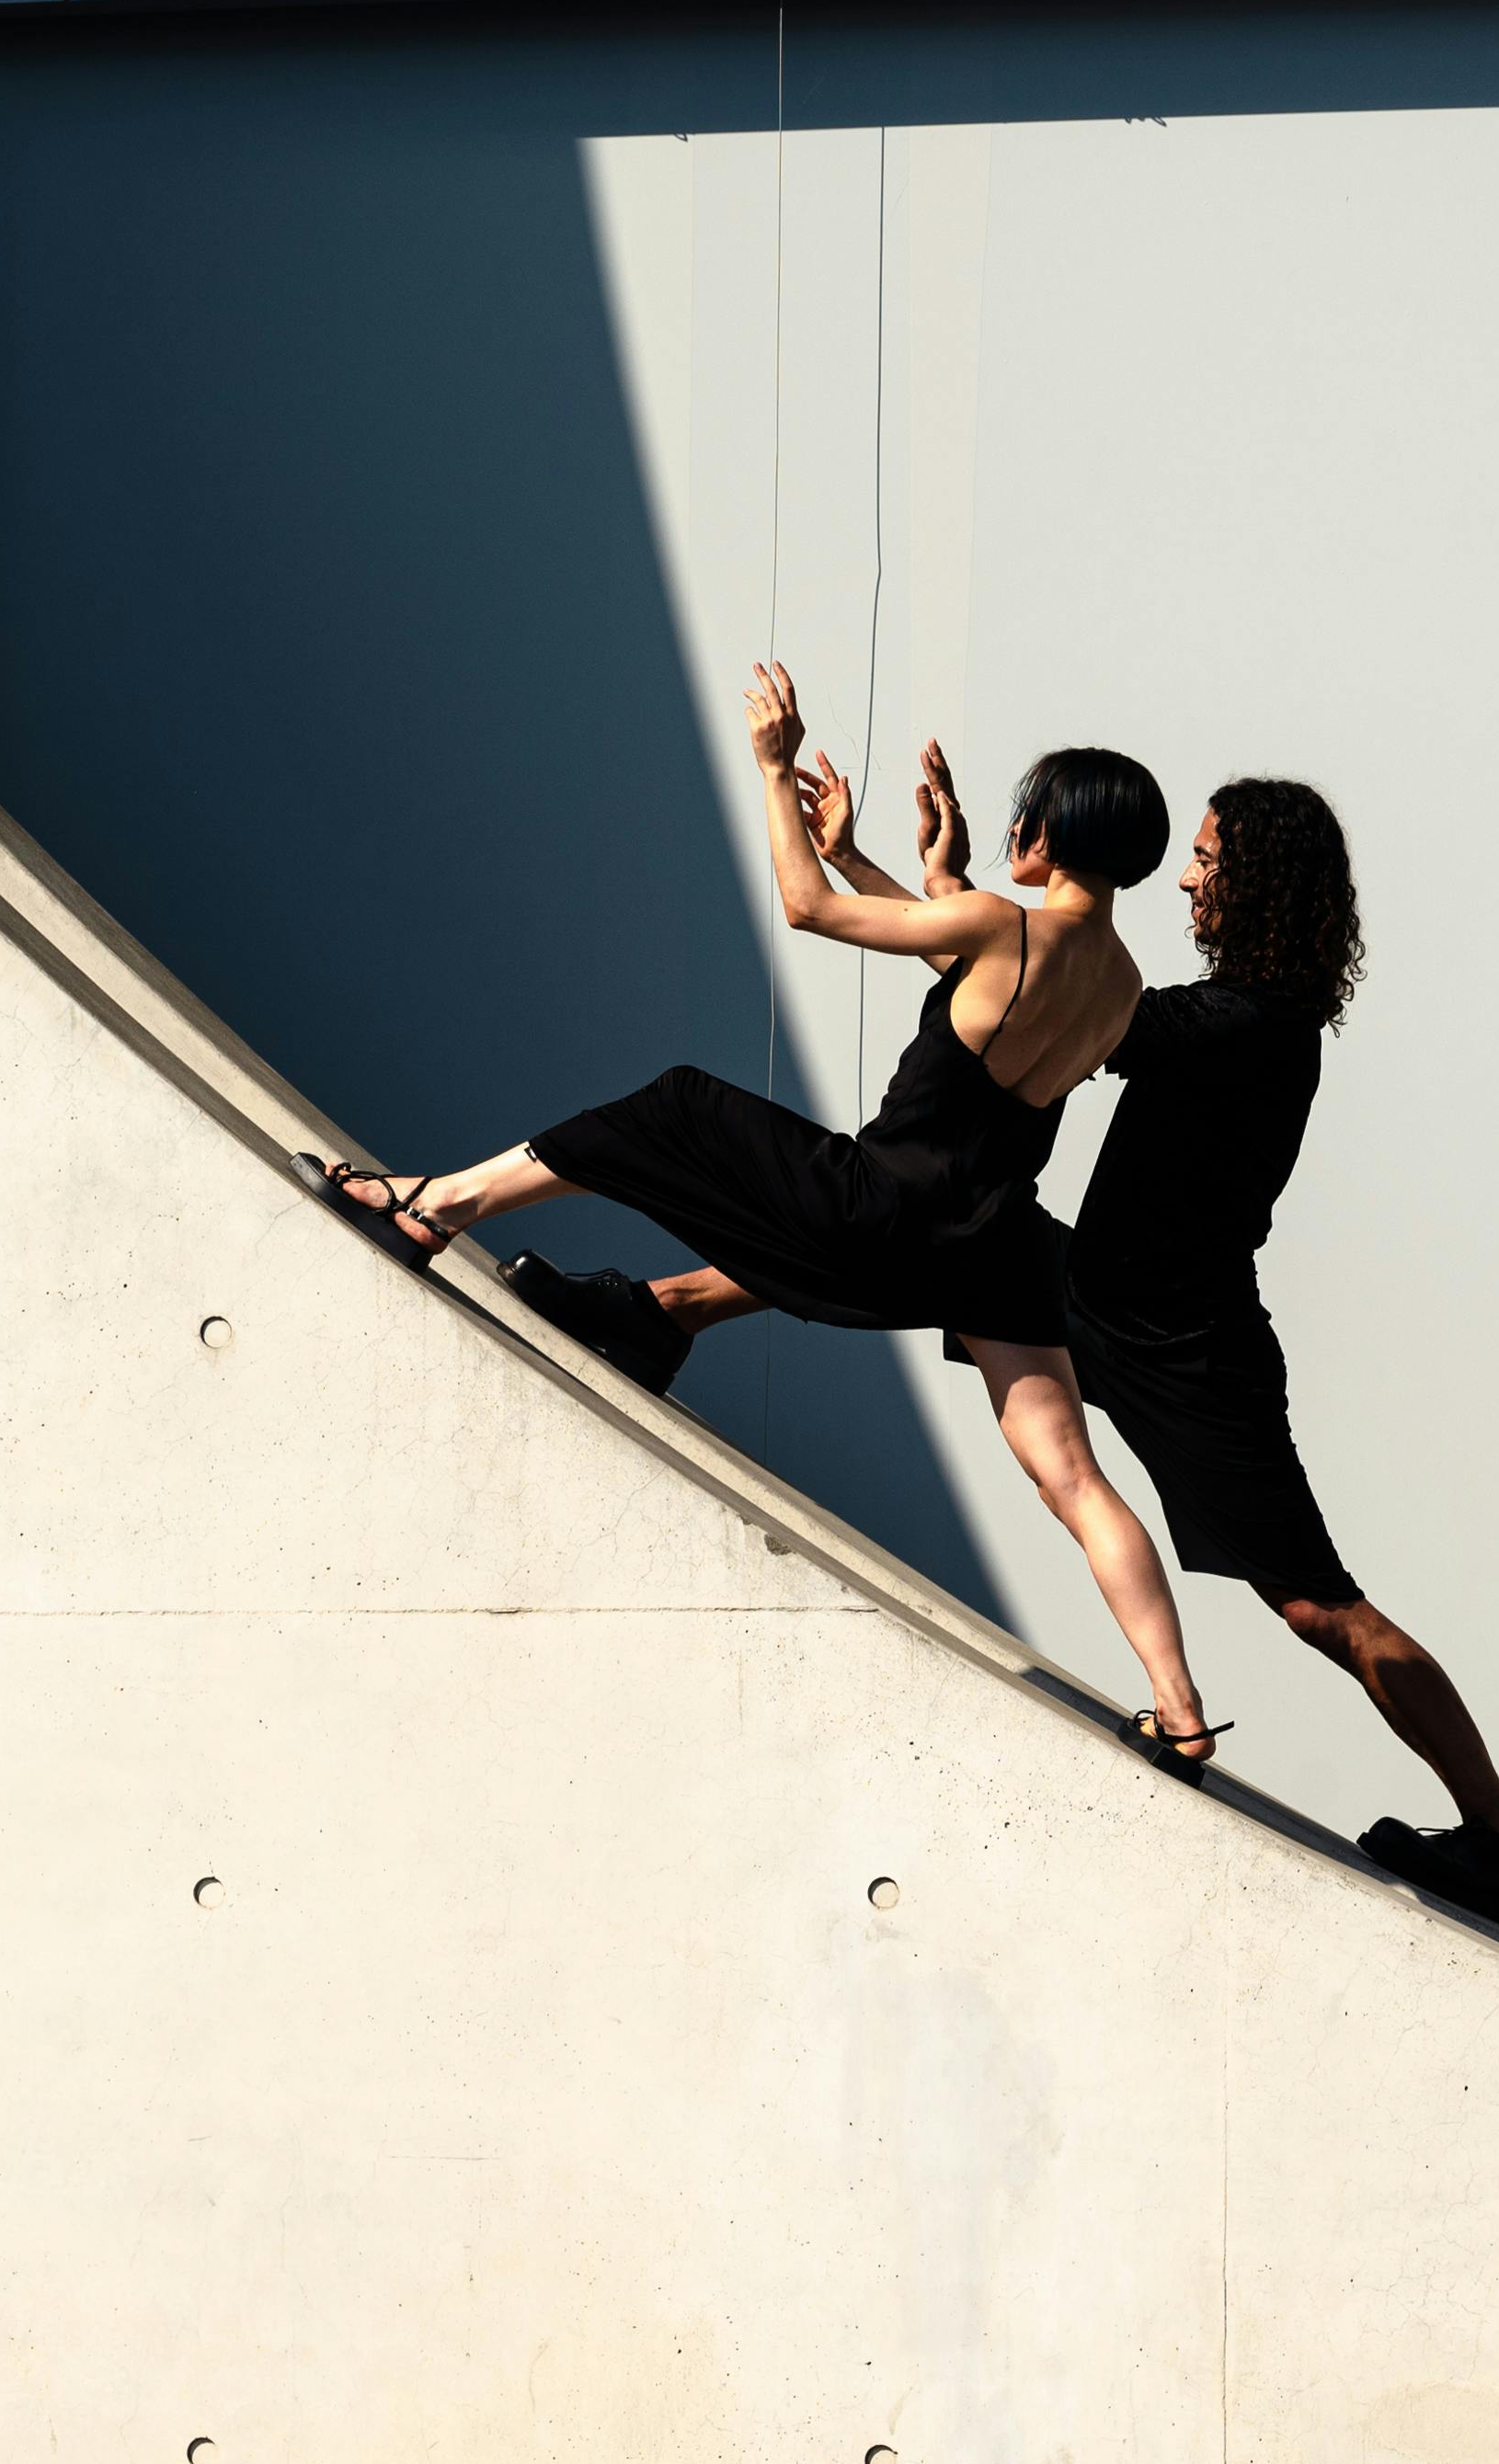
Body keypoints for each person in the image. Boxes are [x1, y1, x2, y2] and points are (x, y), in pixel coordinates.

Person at [299, 661, 1227, 1776]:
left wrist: (774, 768)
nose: (1015, 827)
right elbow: (963, 952)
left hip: (875, 1207)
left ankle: (431, 1204)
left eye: (1030, 811)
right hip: (986, 1244)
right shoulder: (1119, 984)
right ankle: (1179, 1712)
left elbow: (813, 913)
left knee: (676, 1105)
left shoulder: (1001, 924)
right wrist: (889, 858)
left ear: (1055, 827)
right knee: (1069, 1473)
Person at [1059, 779, 1499, 1929]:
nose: (1185, 877)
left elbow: (1084, 1002)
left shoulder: (1250, 1026)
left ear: (1258, 880)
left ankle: (1498, 1843)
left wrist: (1031, 885)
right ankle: (663, 1311)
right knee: (910, 1223)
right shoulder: (1236, 1012)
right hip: (1096, 1300)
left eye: (1206, 858)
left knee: (1318, 1608)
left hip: (1192, 1352)